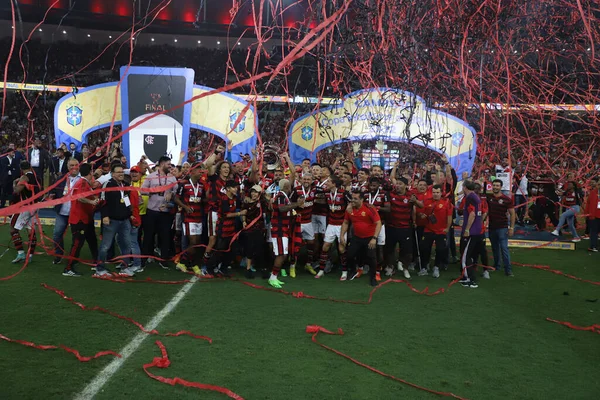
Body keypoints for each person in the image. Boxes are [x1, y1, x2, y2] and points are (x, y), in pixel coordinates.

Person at [95, 163, 135, 277]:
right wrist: (105, 216)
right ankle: (100, 269)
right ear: (112, 174)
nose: (121, 174)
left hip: (125, 220)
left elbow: (127, 201)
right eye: (118, 172)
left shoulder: (126, 185)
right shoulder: (107, 185)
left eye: (122, 172)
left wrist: (130, 214)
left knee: (126, 245)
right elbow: (102, 202)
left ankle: (124, 268)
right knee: (105, 246)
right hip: (111, 220)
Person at [62, 163, 100, 277]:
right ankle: (68, 268)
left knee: (92, 240)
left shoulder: (83, 183)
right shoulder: (82, 183)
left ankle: (97, 262)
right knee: (77, 243)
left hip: (85, 218)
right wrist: (92, 202)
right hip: (80, 219)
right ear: (90, 173)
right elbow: (79, 197)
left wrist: (95, 199)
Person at [141, 155, 178, 269]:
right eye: (168, 164)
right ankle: (144, 259)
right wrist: (153, 191)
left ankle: (163, 260)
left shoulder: (172, 178)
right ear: (162, 164)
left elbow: (176, 192)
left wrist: (171, 194)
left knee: (165, 237)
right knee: (148, 236)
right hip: (152, 211)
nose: (170, 167)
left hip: (165, 212)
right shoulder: (151, 177)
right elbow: (143, 190)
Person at [174, 163, 210, 276]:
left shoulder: (202, 185)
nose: (201, 172)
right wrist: (185, 207)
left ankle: (192, 264)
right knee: (193, 241)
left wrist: (208, 194)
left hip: (199, 217)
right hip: (188, 218)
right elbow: (176, 198)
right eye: (199, 170)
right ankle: (183, 262)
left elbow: (204, 200)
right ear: (193, 171)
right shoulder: (183, 184)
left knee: (197, 243)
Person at [340, 191, 382, 287]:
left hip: (369, 237)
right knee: (350, 255)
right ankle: (353, 271)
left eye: (355, 199)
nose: (352, 201)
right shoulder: (350, 210)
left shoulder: (369, 209)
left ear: (362, 200)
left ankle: (373, 278)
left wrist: (374, 238)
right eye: (352, 198)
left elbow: (378, 223)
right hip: (357, 237)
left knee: (371, 258)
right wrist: (342, 235)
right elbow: (346, 222)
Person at [268, 179, 304, 288]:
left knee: (283, 254)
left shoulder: (283, 196)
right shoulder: (281, 196)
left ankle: (274, 276)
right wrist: (297, 204)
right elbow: (282, 209)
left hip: (283, 228)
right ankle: (273, 277)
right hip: (279, 228)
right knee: (281, 254)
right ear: (286, 186)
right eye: (289, 185)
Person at [207, 180, 243, 277]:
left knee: (233, 250)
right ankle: (209, 268)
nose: (236, 189)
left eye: (237, 187)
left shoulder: (236, 198)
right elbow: (226, 215)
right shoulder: (223, 199)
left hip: (231, 229)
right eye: (234, 187)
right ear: (227, 188)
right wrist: (240, 213)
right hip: (223, 228)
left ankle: (223, 268)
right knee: (220, 250)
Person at [315, 177, 348, 280]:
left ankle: (344, 271)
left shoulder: (344, 193)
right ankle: (321, 270)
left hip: (342, 225)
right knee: (325, 246)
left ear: (334, 184)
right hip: (331, 224)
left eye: (329, 182)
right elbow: (316, 190)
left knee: (341, 248)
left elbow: (352, 203)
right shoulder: (326, 193)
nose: (326, 184)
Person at [419, 185, 453, 278]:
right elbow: (423, 213)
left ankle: (436, 267)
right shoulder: (427, 201)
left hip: (441, 231)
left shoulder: (447, 203)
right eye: (434, 192)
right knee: (424, 248)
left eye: (437, 192)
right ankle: (424, 267)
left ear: (441, 193)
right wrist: (422, 216)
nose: (435, 194)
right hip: (428, 229)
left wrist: (447, 228)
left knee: (440, 249)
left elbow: (449, 217)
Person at [51, 158, 80, 264]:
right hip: (62, 212)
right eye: (71, 165)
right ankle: (59, 255)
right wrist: (52, 195)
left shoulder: (83, 179)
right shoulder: (61, 178)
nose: (74, 167)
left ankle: (74, 257)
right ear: (68, 167)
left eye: (76, 165)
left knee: (76, 237)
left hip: (76, 213)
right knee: (57, 234)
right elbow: (53, 190)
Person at [10, 161, 40, 264]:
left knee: (13, 228)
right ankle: (30, 255)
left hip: (25, 207)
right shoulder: (37, 177)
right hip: (35, 206)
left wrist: (14, 183)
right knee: (30, 230)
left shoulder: (24, 178)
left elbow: (17, 191)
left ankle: (21, 253)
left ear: (21, 168)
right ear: (30, 167)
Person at [385, 177, 415, 279]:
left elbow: (419, 206)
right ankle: (390, 267)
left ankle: (405, 269)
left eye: (400, 184)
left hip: (405, 228)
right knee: (389, 249)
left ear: (406, 185)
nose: (397, 186)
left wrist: (415, 201)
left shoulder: (410, 195)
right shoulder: (390, 194)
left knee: (407, 251)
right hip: (391, 227)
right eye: (396, 183)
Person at [487, 179, 516, 277]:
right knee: (494, 248)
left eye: (497, 185)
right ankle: (497, 266)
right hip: (492, 227)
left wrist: (511, 228)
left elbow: (512, 214)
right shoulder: (488, 197)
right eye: (494, 185)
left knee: (504, 249)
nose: (495, 187)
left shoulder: (506, 199)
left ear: (501, 187)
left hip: (502, 227)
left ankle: (508, 269)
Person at [241, 185, 270, 278]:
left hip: (259, 229)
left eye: (256, 192)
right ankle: (248, 269)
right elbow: (243, 213)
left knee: (260, 248)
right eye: (252, 191)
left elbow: (268, 202)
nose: (253, 194)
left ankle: (263, 268)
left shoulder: (262, 202)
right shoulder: (247, 202)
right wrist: (244, 221)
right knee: (249, 248)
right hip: (249, 228)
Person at [459, 181, 483, 288]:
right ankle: (466, 277)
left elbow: (472, 214)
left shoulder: (470, 198)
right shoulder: (476, 197)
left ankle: (470, 279)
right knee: (468, 254)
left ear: (464, 187)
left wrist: (467, 229)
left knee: (465, 256)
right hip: (477, 230)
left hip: (472, 231)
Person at [292, 173, 317, 275]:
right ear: (301, 180)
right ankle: (292, 266)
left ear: (311, 181)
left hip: (308, 222)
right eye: (304, 179)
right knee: (295, 244)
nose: (306, 181)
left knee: (311, 243)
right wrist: (297, 205)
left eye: (308, 179)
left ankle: (308, 264)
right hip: (298, 222)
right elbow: (289, 204)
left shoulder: (315, 190)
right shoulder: (296, 190)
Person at [0, 144, 20, 208]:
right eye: (12, 152)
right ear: (8, 153)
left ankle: (10, 204)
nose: (13, 153)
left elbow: (16, 169)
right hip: (5, 178)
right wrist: (11, 167)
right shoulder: (3, 159)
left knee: (11, 192)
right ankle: (2, 204)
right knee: (4, 191)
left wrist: (9, 167)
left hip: (12, 177)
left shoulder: (15, 160)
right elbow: (5, 168)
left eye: (13, 152)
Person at [584, 177, 599, 252]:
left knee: (594, 232)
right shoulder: (593, 193)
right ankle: (593, 246)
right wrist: (588, 214)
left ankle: (593, 246)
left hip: (595, 216)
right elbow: (590, 204)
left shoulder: (594, 192)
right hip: (595, 216)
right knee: (594, 232)